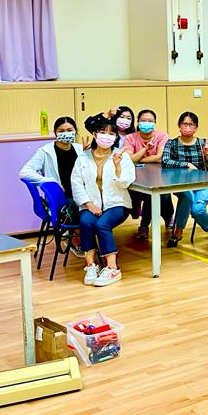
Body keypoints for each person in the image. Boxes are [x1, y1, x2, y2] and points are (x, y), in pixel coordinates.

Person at [71, 114, 135, 287]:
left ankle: (113, 268)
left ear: (116, 137)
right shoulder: (83, 157)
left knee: (102, 224)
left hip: (117, 203)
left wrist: (117, 166)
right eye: (102, 132)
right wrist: (88, 204)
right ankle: (91, 265)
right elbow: (76, 183)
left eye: (111, 133)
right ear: (94, 134)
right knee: (86, 222)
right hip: (91, 204)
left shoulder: (121, 156)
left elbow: (125, 183)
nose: (107, 137)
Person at [161, 112, 208, 247]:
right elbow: (165, 161)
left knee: (197, 209)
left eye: (191, 124)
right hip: (181, 184)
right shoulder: (172, 143)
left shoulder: (202, 143)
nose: (188, 127)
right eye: (185, 124)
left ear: (196, 127)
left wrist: (207, 156)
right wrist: (185, 164)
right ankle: (179, 231)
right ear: (179, 126)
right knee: (186, 196)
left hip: (203, 183)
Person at [121, 109, 172, 240]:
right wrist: (145, 150)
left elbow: (160, 156)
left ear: (155, 123)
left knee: (161, 193)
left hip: (159, 176)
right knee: (157, 195)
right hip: (136, 179)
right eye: (143, 120)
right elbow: (129, 159)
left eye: (150, 121)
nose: (147, 123)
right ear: (138, 121)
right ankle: (168, 217)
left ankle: (145, 225)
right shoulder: (130, 138)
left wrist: (138, 158)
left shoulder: (162, 136)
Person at [20, 116, 83, 198]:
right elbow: (24, 173)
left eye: (69, 130)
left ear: (75, 131)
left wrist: (88, 154)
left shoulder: (81, 149)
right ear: (55, 133)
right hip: (59, 199)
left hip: (81, 196)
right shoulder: (45, 151)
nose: (66, 133)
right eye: (61, 131)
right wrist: (51, 181)